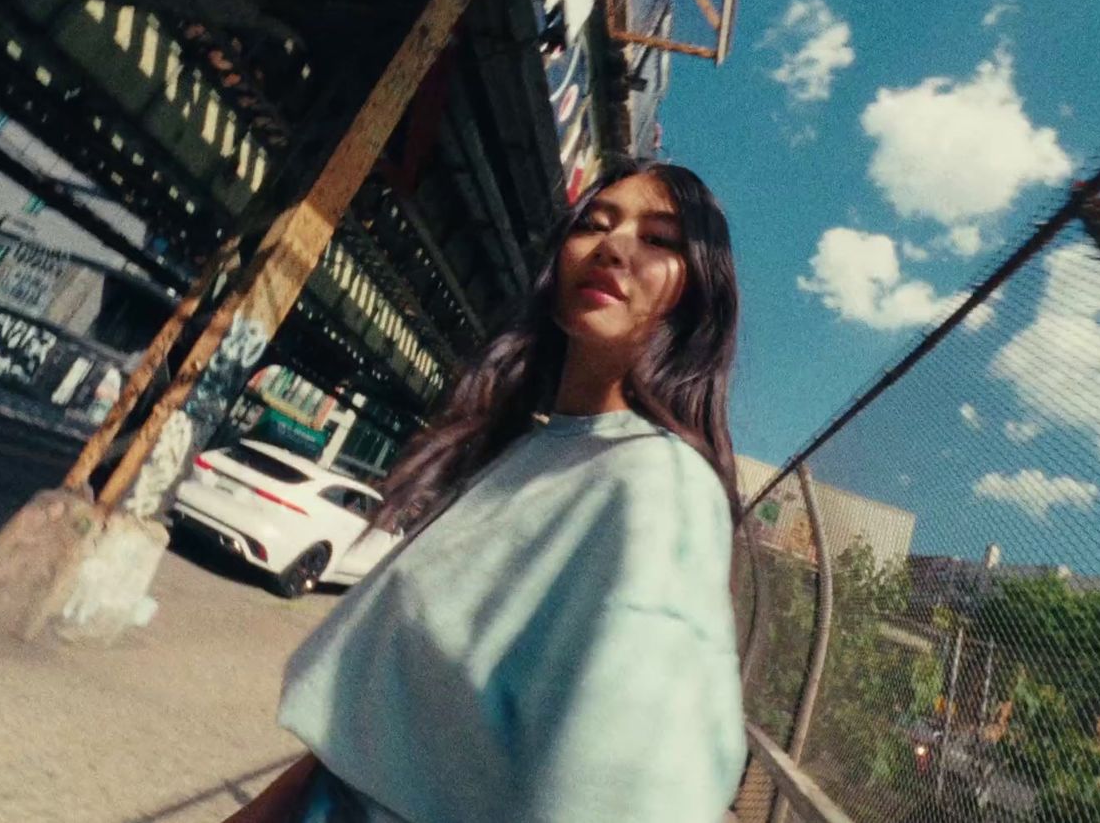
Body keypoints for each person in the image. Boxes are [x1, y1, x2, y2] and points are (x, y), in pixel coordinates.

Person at [229, 157, 746, 823]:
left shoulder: (660, 485)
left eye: (660, 239)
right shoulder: (530, 450)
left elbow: (633, 789)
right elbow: (367, 740)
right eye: (594, 223)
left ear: (698, 292)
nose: (614, 246)